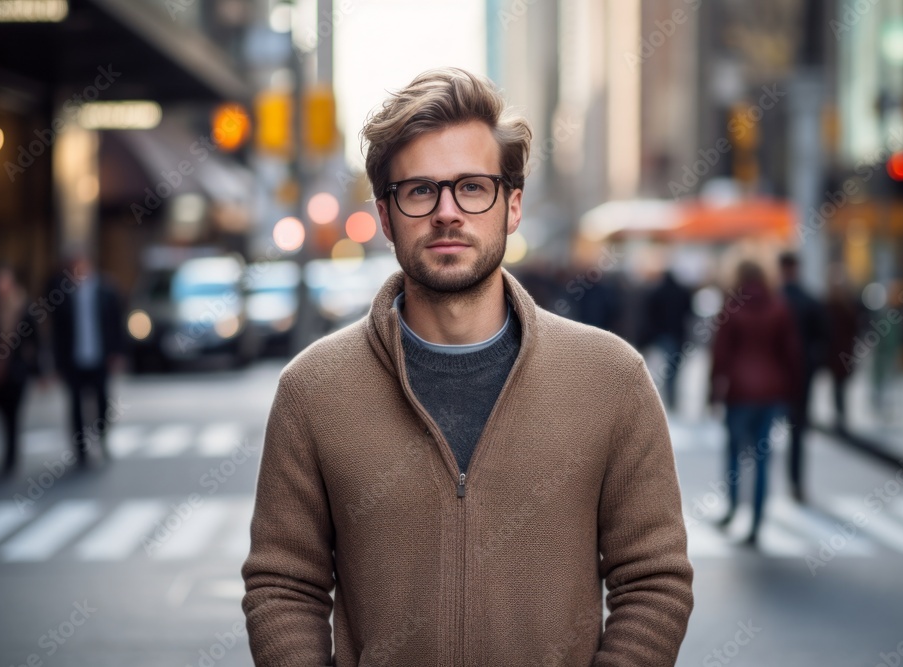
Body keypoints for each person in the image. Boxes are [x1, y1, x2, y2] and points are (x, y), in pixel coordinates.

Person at [241, 68, 693, 666]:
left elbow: (654, 581)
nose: (447, 212)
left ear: (511, 206)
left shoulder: (611, 378)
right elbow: (282, 586)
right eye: (420, 190)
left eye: (472, 187)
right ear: (385, 214)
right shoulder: (313, 390)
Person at [710, 260, 801, 546]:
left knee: (735, 453)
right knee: (762, 459)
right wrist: (793, 393)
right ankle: (757, 524)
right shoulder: (779, 307)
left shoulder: (731, 307)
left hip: (739, 393)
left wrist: (713, 391)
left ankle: (733, 508)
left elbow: (720, 354)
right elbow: (791, 354)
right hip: (771, 393)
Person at [48, 253, 125, 467]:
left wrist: (118, 352)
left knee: (101, 401)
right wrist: (56, 363)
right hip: (73, 359)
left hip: (100, 356)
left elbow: (116, 322)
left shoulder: (106, 290)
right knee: (75, 405)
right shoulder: (63, 294)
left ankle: (102, 438)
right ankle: (80, 450)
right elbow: (57, 332)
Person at [0, 267, 41, 477]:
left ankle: (11, 455)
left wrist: (38, 368)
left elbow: (35, 339)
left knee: (14, 412)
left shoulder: (23, 305)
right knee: (1, 408)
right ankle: (10, 451)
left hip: (17, 367)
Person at [778, 251, 826, 503]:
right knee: (797, 432)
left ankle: (791, 483)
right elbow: (823, 339)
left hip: (782, 376)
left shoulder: (777, 300)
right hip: (800, 376)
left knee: (775, 434)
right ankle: (795, 483)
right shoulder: (807, 300)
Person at [643, 269, 694, 410]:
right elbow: (689, 313)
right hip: (677, 335)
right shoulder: (682, 292)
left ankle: (666, 398)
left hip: (663, 334)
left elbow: (650, 315)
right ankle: (671, 398)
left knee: (664, 368)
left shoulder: (657, 292)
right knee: (673, 369)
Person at [824, 267, 858, 432]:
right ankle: (839, 415)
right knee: (837, 386)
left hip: (844, 353)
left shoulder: (847, 307)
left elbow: (855, 329)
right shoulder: (828, 306)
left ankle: (841, 415)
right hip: (834, 353)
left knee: (840, 386)